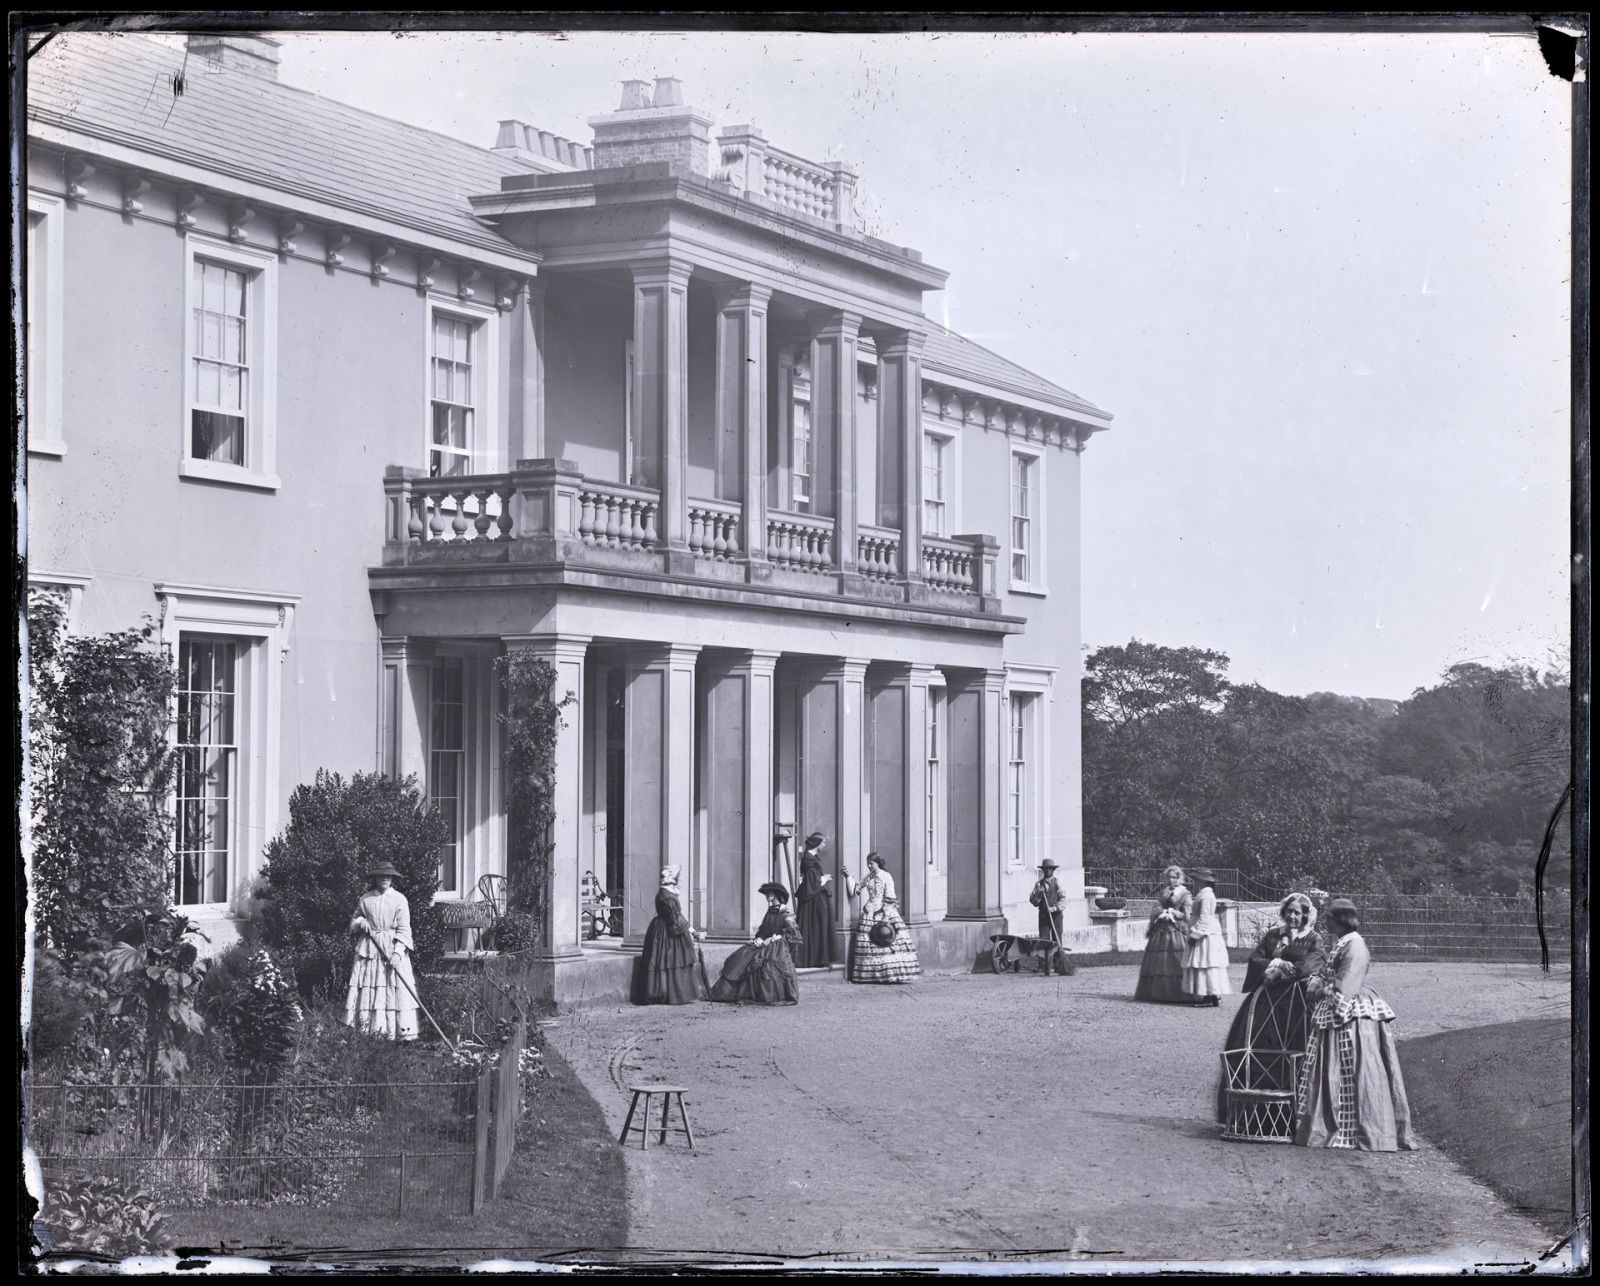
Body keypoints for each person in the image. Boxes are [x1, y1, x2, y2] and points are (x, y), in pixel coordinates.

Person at [1296, 898, 1418, 1151]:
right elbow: (1334, 976)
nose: (1326, 921)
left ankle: (1363, 1132)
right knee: (1335, 1070)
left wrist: (1320, 989)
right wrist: (1320, 982)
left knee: (1356, 1068)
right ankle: (1330, 1125)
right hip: (1339, 1009)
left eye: (1329, 917)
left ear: (1340, 919)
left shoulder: (1356, 946)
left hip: (1351, 1015)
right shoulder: (1343, 942)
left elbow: (1346, 986)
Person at [1215, 892, 1326, 1124]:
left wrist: (1284, 972)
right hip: (1265, 1001)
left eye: (1297, 912)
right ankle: (1250, 1113)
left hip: (1293, 1005)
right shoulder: (1273, 935)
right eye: (1289, 911)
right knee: (1253, 1046)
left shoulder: (1313, 938)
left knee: (1290, 1052)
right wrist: (1274, 963)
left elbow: (1311, 964)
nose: (1292, 916)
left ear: (1306, 915)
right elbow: (1256, 959)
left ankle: (1290, 1115)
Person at [345, 861, 418, 1041]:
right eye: (381, 876)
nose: (384, 879)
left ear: (392, 878)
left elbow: (404, 929)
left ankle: (397, 1035)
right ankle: (370, 1032)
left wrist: (397, 953)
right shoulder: (366, 899)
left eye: (388, 876)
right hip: (369, 950)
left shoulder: (400, 899)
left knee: (393, 990)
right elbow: (353, 922)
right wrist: (361, 923)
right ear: (375, 878)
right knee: (370, 987)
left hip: (391, 949)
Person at [709, 883, 803, 1005]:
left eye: (769, 893)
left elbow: (795, 936)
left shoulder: (785, 915)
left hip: (777, 948)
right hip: (765, 943)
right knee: (742, 954)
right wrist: (759, 939)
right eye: (767, 894)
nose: (767, 896)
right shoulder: (770, 912)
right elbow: (763, 930)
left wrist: (775, 938)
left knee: (763, 963)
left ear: (776, 895)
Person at [843, 852, 921, 984]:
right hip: (869, 912)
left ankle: (889, 974)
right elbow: (856, 890)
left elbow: (890, 896)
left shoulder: (886, 876)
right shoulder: (869, 876)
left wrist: (886, 916)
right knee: (870, 942)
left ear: (878, 863)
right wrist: (847, 876)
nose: (869, 866)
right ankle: (872, 976)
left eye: (871, 863)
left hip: (884, 912)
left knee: (886, 941)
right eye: (867, 863)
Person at [638, 865, 700, 1005]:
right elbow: (674, 918)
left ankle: (669, 993)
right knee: (671, 960)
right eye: (677, 880)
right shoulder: (667, 897)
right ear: (672, 881)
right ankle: (668, 994)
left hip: (664, 926)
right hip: (666, 930)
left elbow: (677, 915)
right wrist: (689, 930)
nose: (679, 883)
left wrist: (689, 928)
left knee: (667, 961)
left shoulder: (667, 894)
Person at [1134, 864, 1192, 1004]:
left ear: (1179, 878)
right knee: (1159, 961)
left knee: (1177, 960)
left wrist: (1177, 914)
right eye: (1169, 877)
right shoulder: (1164, 891)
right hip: (1161, 928)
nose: (1171, 880)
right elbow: (1157, 907)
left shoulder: (1185, 894)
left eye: (1174, 877)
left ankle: (1180, 993)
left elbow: (1188, 915)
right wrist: (1164, 912)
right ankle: (1159, 993)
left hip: (1177, 929)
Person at [1181, 866, 1231, 1006]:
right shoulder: (1204, 893)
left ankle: (1211, 996)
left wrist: (1195, 935)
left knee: (1206, 964)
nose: (1195, 882)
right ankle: (1210, 995)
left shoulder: (1206, 895)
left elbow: (1205, 918)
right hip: (1206, 933)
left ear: (1204, 881)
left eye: (1197, 879)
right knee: (1205, 964)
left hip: (1206, 935)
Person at [793, 832, 836, 968]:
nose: (824, 845)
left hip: (816, 897)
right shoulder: (808, 859)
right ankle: (812, 959)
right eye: (822, 842)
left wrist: (822, 878)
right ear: (817, 844)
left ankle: (817, 958)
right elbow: (812, 882)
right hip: (813, 899)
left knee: (817, 926)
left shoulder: (812, 857)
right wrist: (825, 879)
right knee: (815, 926)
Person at [1030, 859, 1066, 945]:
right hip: (1043, 916)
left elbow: (1063, 899)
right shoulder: (1038, 885)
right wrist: (1039, 895)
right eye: (1045, 868)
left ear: (1053, 870)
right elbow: (1033, 900)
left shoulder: (1058, 883)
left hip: (1056, 916)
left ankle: (1058, 958)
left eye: (1050, 868)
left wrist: (1054, 908)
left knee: (1056, 939)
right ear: (1043, 870)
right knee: (1043, 940)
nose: (1047, 870)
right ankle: (1044, 958)